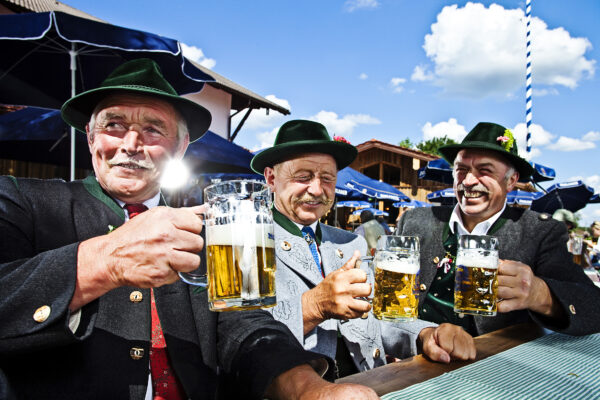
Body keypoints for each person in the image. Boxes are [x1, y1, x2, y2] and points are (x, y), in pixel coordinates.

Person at [0, 59, 377, 399]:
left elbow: (245, 322)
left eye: (153, 130)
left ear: (180, 148)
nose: (131, 144)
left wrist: (306, 389)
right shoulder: (21, 201)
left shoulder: (206, 231)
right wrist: (105, 260)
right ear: (91, 136)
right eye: (114, 125)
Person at [251, 120, 476, 379]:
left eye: (327, 178)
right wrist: (313, 306)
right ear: (271, 178)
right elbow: (237, 335)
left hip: (371, 383)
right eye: (303, 177)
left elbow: (377, 320)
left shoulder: (351, 243)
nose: (316, 189)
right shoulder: (243, 243)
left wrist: (426, 334)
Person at [396, 122, 600, 336]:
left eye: (485, 171)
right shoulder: (414, 221)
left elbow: (593, 307)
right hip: (413, 357)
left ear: (511, 181)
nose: (469, 181)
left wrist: (541, 294)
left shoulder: (539, 232)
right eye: (461, 170)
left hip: (491, 363)